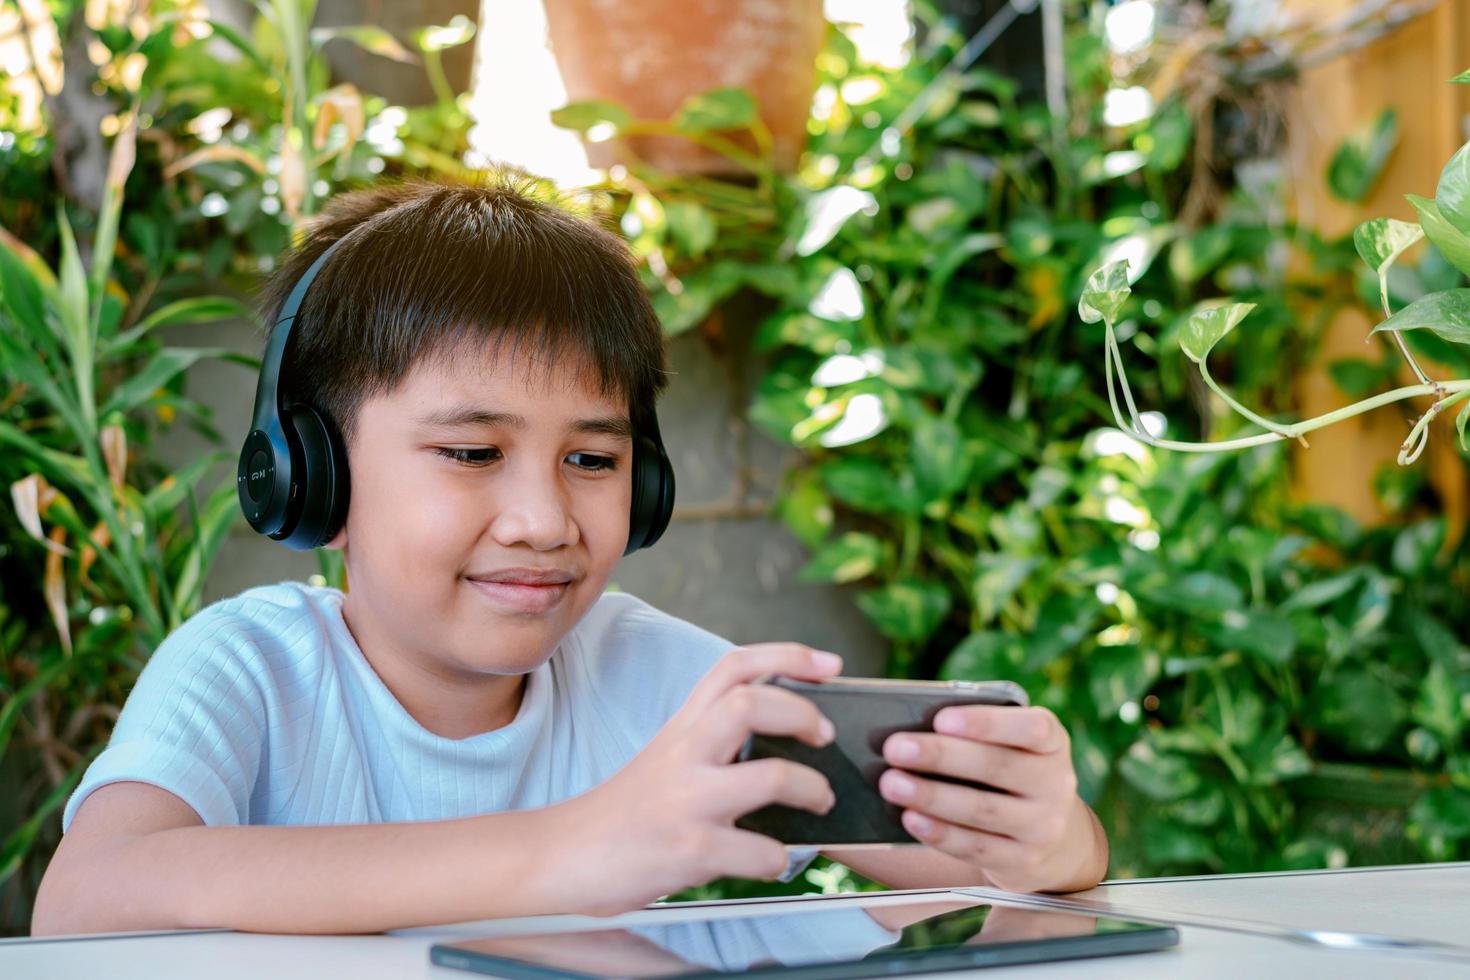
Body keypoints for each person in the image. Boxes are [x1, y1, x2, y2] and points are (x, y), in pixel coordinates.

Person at [32, 175, 1108, 936]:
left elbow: (981, 876)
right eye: (471, 450)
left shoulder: (654, 673)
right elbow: (89, 896)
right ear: (309, 476)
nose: (544, 518)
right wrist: (573, 845)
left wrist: (1044, 839)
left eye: (594, 457)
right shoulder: (249, 670)